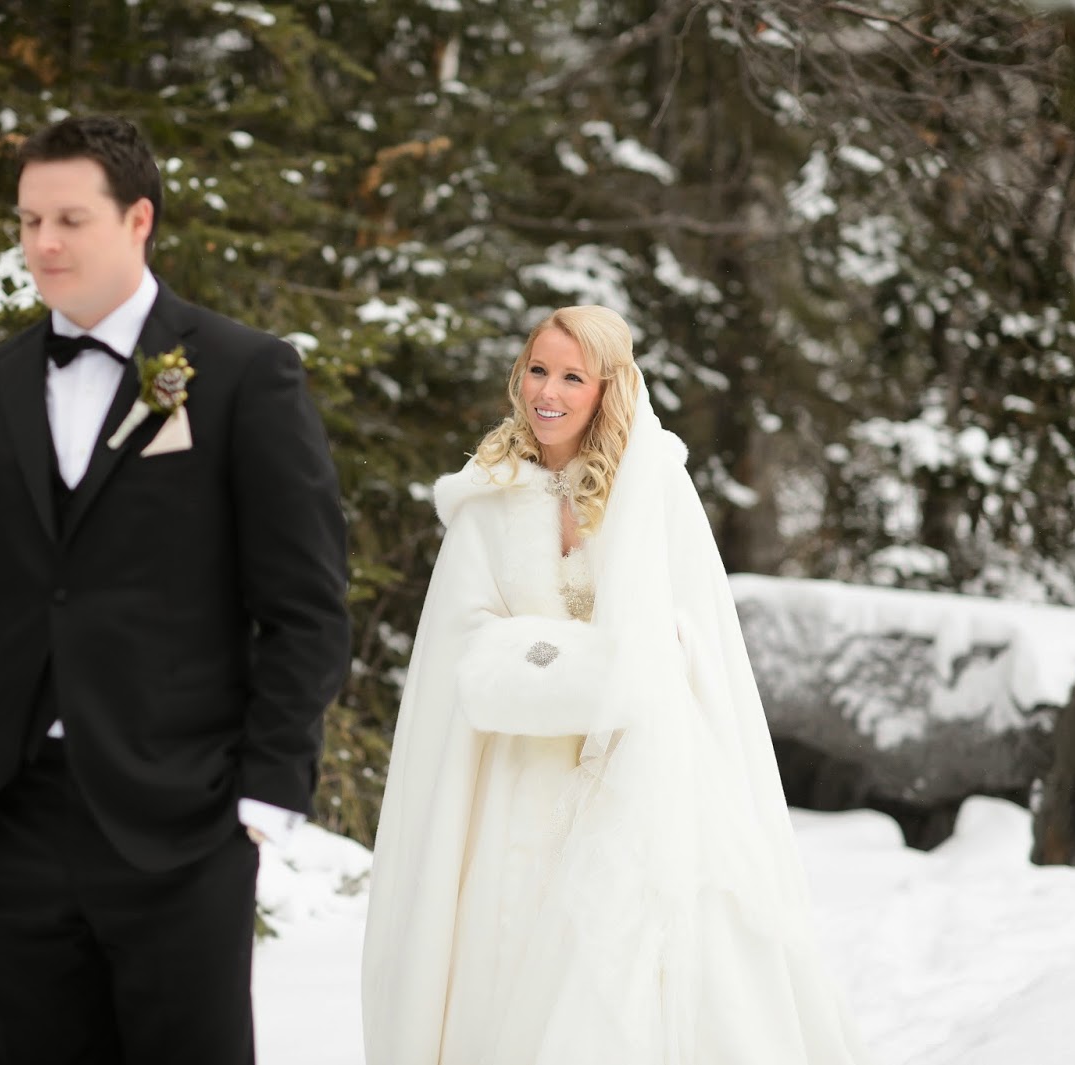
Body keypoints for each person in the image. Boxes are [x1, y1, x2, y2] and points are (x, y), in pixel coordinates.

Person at [0, 114, 350, 1065]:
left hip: (184, 818)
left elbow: (306, 605)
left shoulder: (243, 373)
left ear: (138, 219)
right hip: (11, 819)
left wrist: (264, 790)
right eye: (29, 221)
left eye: (70, 219)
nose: (44, 243)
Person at [361, 306, 868, 1064]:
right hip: (521, 772)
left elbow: (692, 627)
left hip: (641, 764)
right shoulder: (490, 494)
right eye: (538, 370)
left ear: (608, 388)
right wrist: (585, 664)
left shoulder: (654, 482)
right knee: (516, 942)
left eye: (573, 377)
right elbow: (465, 640)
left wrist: (633, 664)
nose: (548, 392)